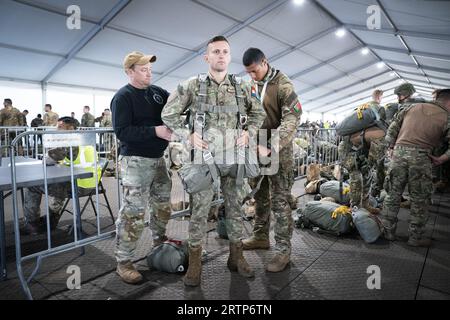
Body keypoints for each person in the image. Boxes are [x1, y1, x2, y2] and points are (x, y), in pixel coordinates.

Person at [162, 36, 266, 287]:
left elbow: (258, 113)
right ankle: (195, 264)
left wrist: (248, 132)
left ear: (230, 58)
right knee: (199, 212)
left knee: (235, 208)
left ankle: (236, 257)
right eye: (216, 51)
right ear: (206, 57)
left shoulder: (242, 87)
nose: (221, 55)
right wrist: (189, 135)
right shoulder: (191, 85)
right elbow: (169, 113)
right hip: (203, 159)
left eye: (225, 52)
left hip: (234, 157)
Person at [111, 51, 173, 284]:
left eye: (149, 69)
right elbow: (122, 131)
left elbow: (177, 104)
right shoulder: (123, 97)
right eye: (143, 69)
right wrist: (155, 131)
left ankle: (159, 243)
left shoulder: (157, 93)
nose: (149, 73)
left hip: (158, 159)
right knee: (133, 212)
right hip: (135, 161)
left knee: (162, 205)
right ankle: (124, 260)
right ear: (130, 71)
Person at [240, 48, 302, 272]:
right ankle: (260, 236)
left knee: (280, 201)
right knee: (260, 196)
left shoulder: (283, 85)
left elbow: (292, 120)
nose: (252, 76)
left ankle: (283, 251)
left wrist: (272, 145)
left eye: (254, 71)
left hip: (277, 150)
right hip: (256, 149)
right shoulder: (250, 85)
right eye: (248, 73)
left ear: (264, 62)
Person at [381, 89, 450, 247]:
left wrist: (392, 148)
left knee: (392, 195)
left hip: (398, 155)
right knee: (420, 200)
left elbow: (392, 130)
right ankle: (415, 238)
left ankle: (388, 232)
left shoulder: (410, 108)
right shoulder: (447, 117)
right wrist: (442, 159)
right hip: (421, 158)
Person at [20, 117, 101, 235]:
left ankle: (32, 224)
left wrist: (50, 154)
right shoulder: (83, 140)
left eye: (60, 127)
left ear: (70, 128)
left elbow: (48, 161)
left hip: (79, 186)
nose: (56, 129)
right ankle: (52, 219)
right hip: (91, 182)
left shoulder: (70, 142)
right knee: (58, 184)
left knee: (33, 186)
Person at [340, 89, 386, 213]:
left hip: (359, 149)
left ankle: (364, 205)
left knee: (367, 176)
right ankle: (354, 208)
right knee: (357, 179)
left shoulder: (363, 109)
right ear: (379, 97)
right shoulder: (377, 111)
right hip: (350, 150)